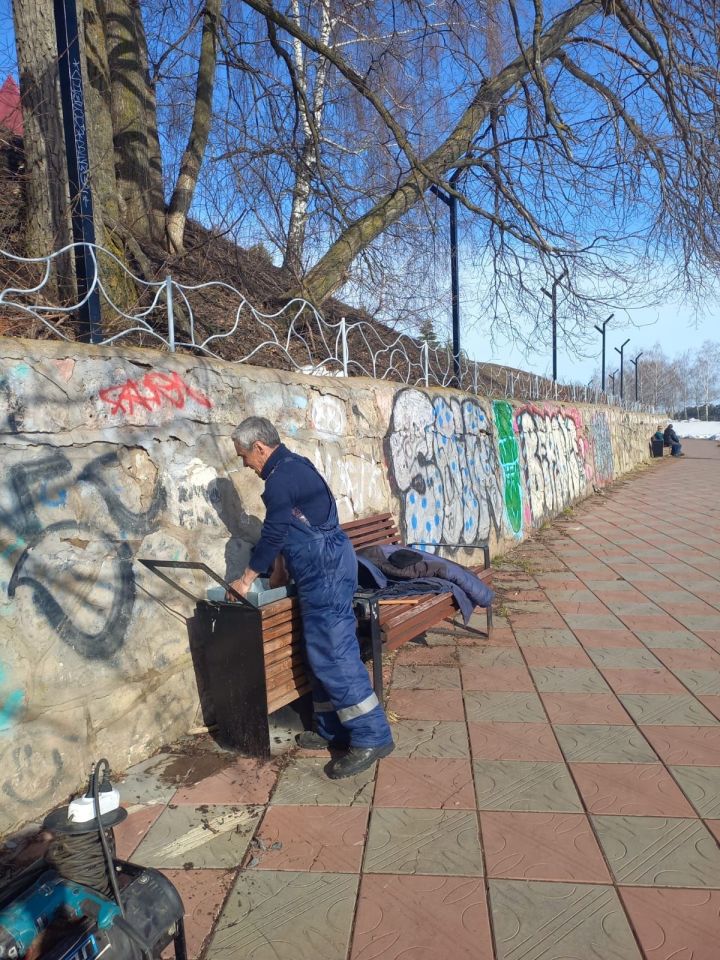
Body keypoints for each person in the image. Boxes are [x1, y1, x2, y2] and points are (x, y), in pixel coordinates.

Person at [227, 416, 394, 778]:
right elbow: (292, 528)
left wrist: (245, 579)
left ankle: (371, 736)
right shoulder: (294, 466)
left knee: (334, 654)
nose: (244, 464)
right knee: (318, 651)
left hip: (325, 572)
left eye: (243, 455)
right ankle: (330, 727)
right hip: (324, 568)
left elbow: (273, 534)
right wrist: (282, 572)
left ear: (259, 447)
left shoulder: (280, 479)